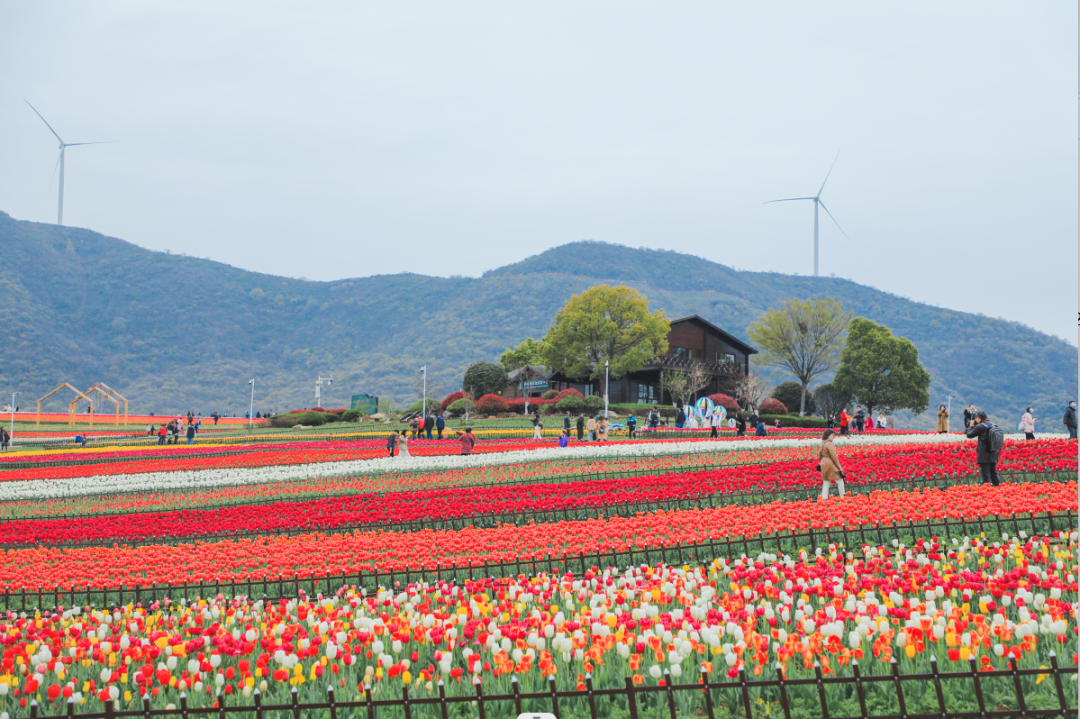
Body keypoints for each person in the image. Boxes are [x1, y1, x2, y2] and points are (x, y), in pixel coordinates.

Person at [964, 410, 1001, 486]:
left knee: (986, 475)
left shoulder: (981, 426)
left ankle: (986, 490)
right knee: (993, 474)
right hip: (993, 452)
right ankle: (1001, 489)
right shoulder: (993, 424)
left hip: (984, 454)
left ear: (978, 418)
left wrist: (971, 426)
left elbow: (969, 435)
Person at [817, 429, 846, 499]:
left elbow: (819, 455)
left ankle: (824, 498)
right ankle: (843, 497)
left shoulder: (823, 443)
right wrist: (839, 467)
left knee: (826, 481)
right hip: (830, 463)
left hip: (823, 463)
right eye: (833, 435)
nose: (834, 436)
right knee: (839, 480)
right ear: (828, 435)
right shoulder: (829, 444)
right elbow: (833, 456)